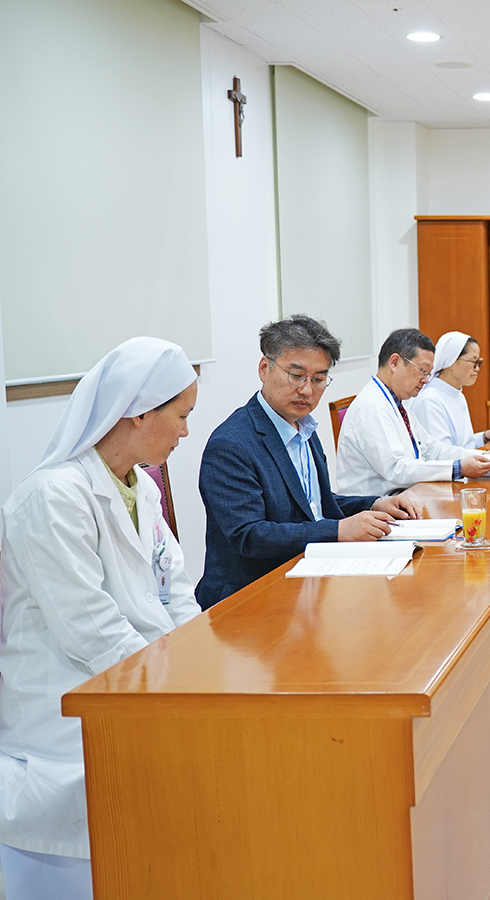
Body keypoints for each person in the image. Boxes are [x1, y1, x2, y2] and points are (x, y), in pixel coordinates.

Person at [0, 337, 203, 899]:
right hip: (62, 716)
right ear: (138, 414)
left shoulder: (138, 485)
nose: (186, 431)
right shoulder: (54, 498)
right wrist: (182, 686)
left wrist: (201, 658)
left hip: (137, 682)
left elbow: (176, 590)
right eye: (181, 416)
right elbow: (92, 631)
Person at [196, 315, 423, 608]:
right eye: (296, 375)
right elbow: (250, 535)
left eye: (318, 379)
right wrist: (339, 530)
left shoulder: (304, 428)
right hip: (250, 598)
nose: (306, 390)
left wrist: (373, 504)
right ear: (265, 368)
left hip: (308, 581)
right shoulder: (232, 444)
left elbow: (315, 505)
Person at [336, 328, 490, 495]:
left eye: (428, 373)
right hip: (375, 508)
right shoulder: (371, 406)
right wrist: (458, 468)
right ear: (395, 363)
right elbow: (396, 468)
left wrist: (477, 457)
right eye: (422, 371)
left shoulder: (396, 404)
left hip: (403, 497)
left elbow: (432, 447)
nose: (425, 380)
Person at [406, 331, 490, 449]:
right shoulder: (429, 400)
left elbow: (462, 444)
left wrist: (484, 437)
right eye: (473, 362)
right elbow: (441, 455)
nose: (477, 369)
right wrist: (484, 455)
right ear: (451, 361)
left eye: (479, 363)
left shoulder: (457, 394)